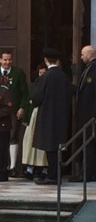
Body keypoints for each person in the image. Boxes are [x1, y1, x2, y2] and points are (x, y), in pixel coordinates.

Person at [33, 48, 72, 185]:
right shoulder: (64, 77)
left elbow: (37, 98)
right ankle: (55, 174)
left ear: (46, 60)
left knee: (50, 147)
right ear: (58, 61)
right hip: (62, 117)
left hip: (47, 117)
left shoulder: (45, 77)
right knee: (58, 147)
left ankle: (52, 176)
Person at [0, 51, 29, 177]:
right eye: (5, 60)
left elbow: (25, 93)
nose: (7, 62)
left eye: (9, 60)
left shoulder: (18, 73)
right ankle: (2, 165)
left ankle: (13, 167)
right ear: (0, 60)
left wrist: (22, 108)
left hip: (14, 111)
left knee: (13, 136)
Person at [73, 46, 96, 182]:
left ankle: (87, 174)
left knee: (89, 144)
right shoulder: (88, 68)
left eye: (82, 54)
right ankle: (85, 172)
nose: (81, 57)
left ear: (89, 54)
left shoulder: (93, 70)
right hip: (86, 115)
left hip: (91, 115)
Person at [21, 64, 48, 181]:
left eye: (44, 73)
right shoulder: (34, 85)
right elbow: (28, 101)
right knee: (29, 142)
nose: (42, 75)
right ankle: (30, 169)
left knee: (44, 143)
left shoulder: (50, 85)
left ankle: (45, 169)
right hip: (33, 116)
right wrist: (26, 118)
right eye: (40, 73)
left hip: (45, 117)